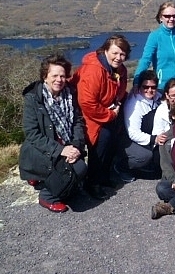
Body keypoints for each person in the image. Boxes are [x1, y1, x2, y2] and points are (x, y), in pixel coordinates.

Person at [19, 54, 87, 213]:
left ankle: (43, 179)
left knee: (78, 169)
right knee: (79, 169)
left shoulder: (69, 94)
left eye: (62, 76)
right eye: (54, 75)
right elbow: (32, 133)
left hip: (66, 144)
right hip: (42, 148)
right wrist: (61, 150)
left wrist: (76, 145)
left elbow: (77, 121)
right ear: (45, 77)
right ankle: (47, 196)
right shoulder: (33, 98)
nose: (59, 80)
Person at [70, 34, 130, 200]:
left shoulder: (120, 69)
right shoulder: (94, 70)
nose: (118, 58)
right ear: (105, 51)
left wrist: (117, 104)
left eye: (122, 54)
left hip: (107, 112)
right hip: (88, 116)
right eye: (115, 53)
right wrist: (110, 114)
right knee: (101, 142)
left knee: (112, 140)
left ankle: (104, 177)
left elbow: (120, 90)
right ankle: (92, 182)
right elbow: (87, 103)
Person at [133, 1, 175, 93]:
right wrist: (137, 82)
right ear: (161, 17)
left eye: (174, 16)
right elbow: (145, 60)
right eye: (167, 16)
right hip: (162, 87)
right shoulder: (155, 36)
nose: (171, 19)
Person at [114, 70, 162, 183]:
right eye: (145, 87)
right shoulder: (134, 104)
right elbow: (133, 133)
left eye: (153, 87)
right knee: (145, 156)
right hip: (128, 138)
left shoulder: (158, 97)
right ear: (139, 86)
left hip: (148, 133)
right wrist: (154, 139)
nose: (149, 90)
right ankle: (121, 166)